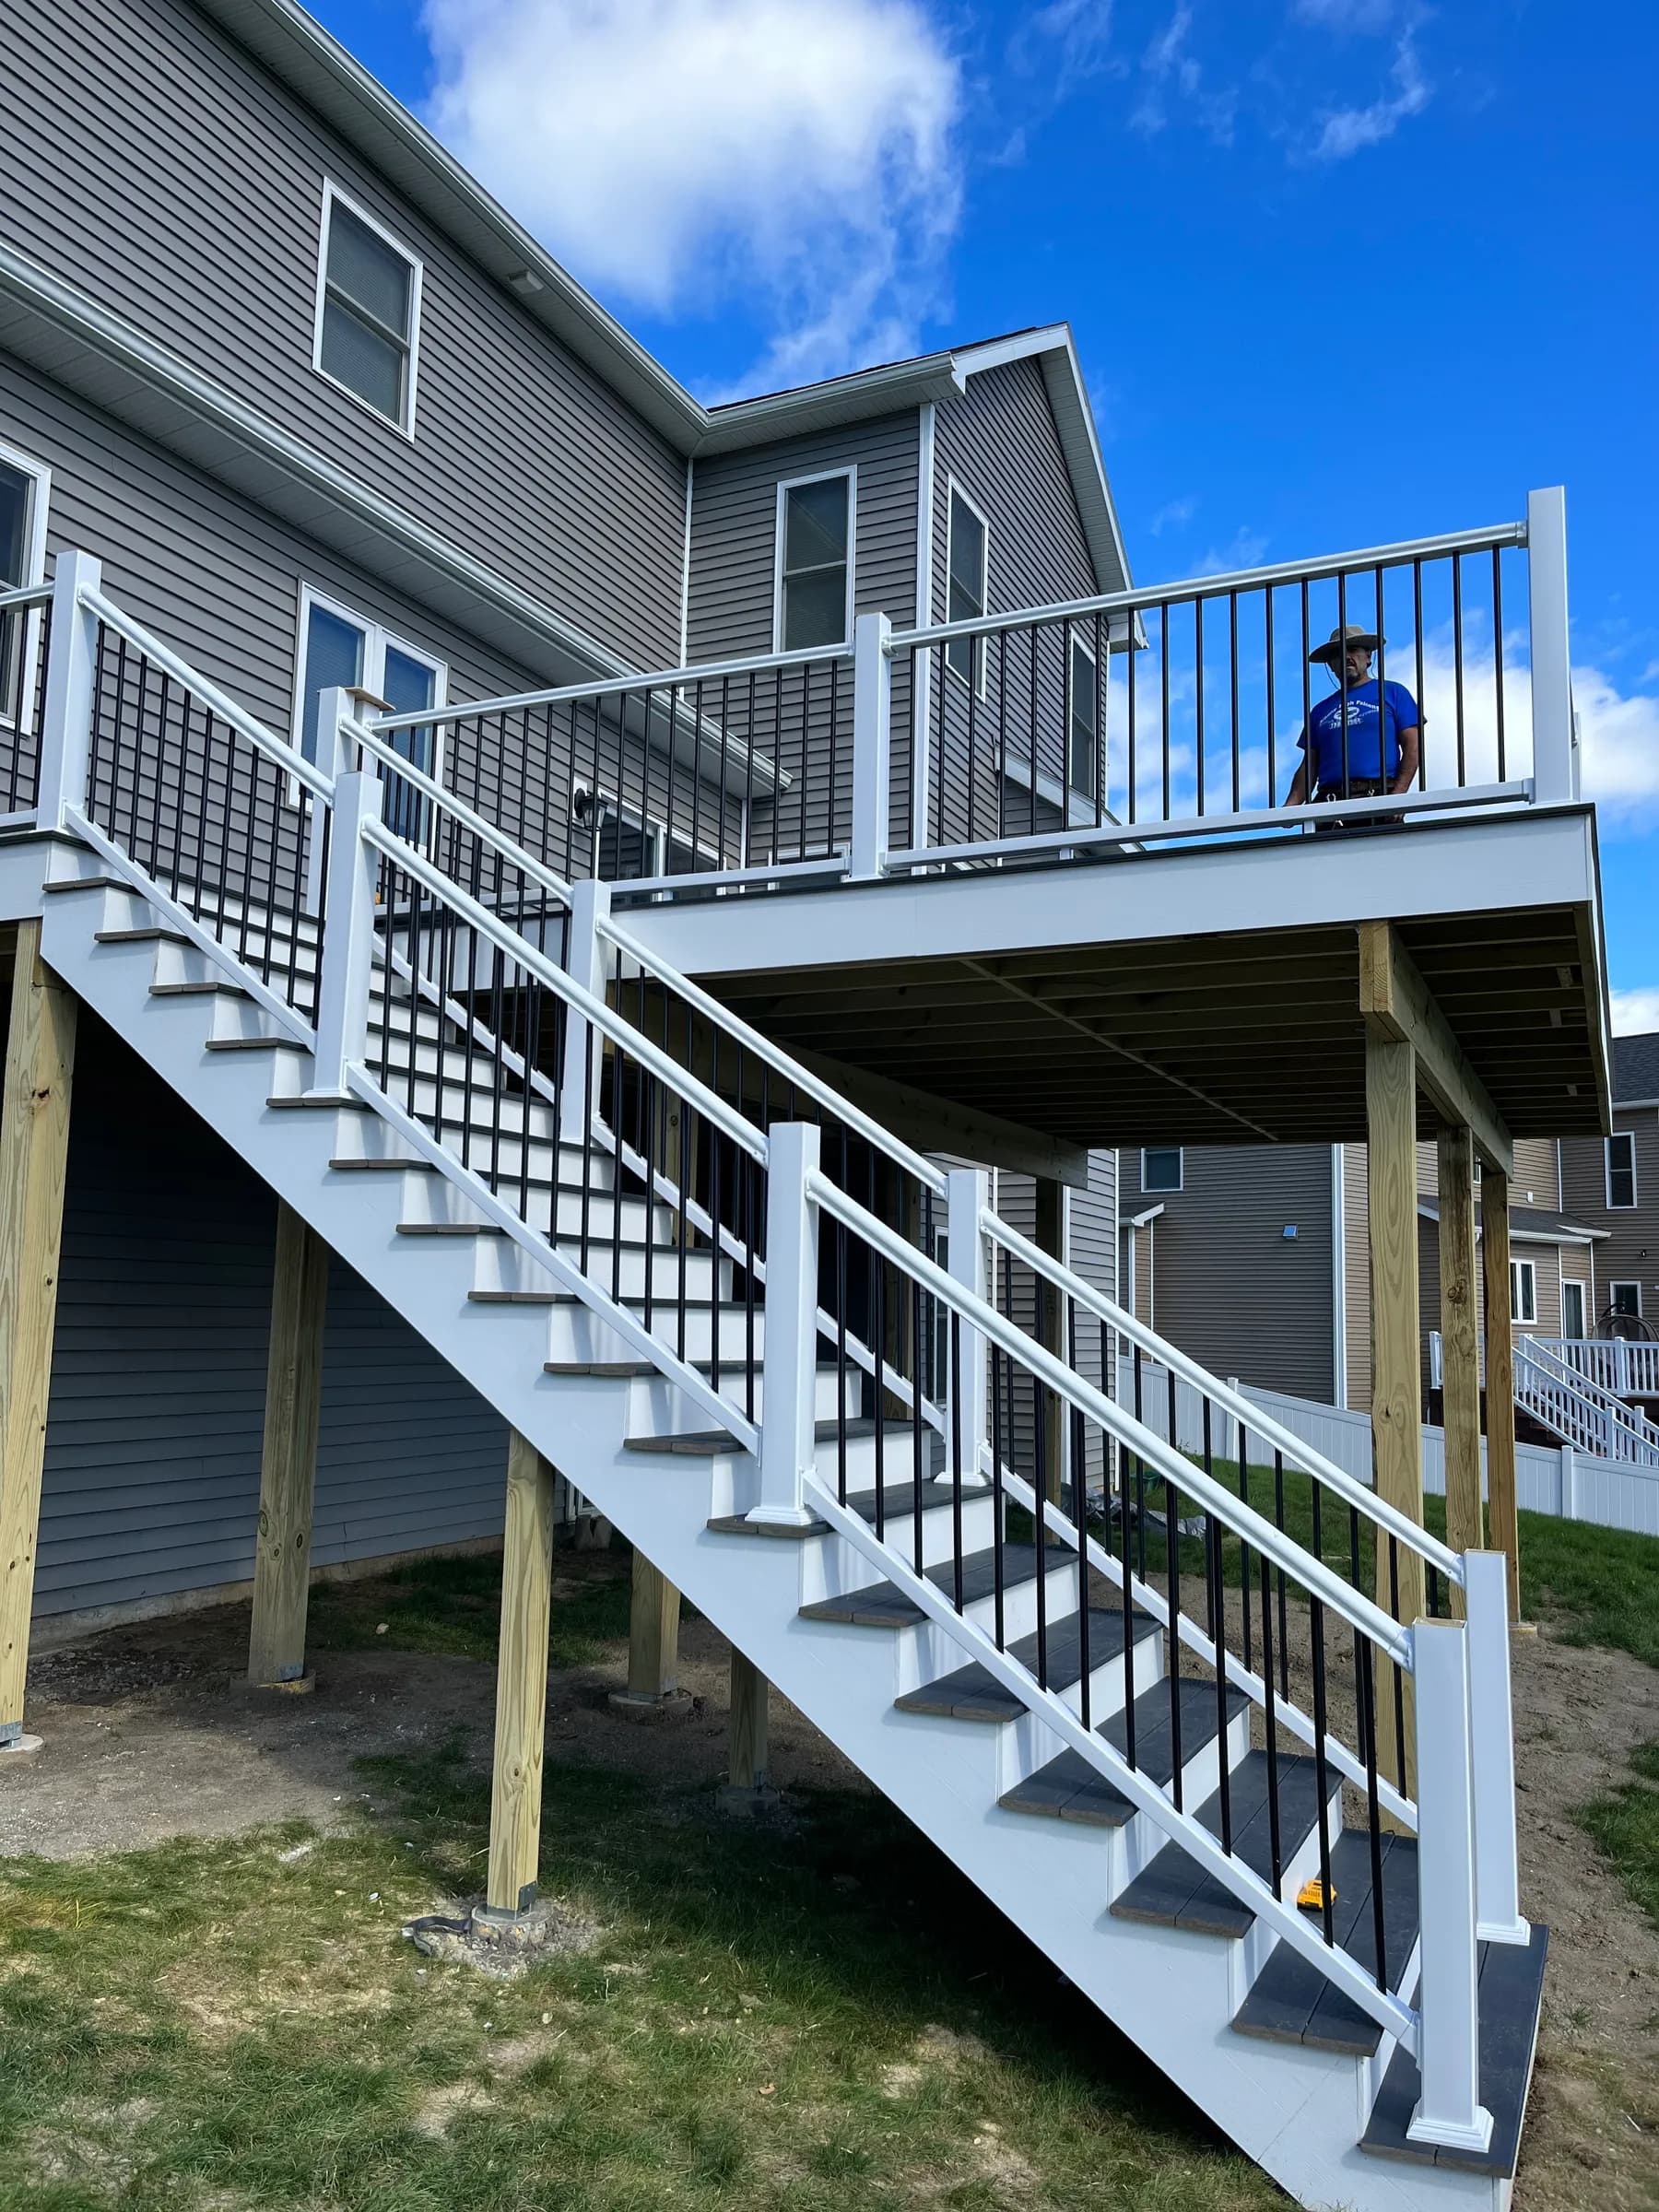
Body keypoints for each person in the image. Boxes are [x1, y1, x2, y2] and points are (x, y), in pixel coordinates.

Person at [1285, 624, 1420, 815]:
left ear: (1369, 657)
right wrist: (1288, 810)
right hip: (1329, 804)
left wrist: (1397, 797)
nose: (1347, 656)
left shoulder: (1393, 693)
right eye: (1339, 653)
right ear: (1331, 665)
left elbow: (1413, 747)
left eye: (1354, 649)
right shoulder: (1320, 711)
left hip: (1379, 797)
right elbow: (1309, 766)